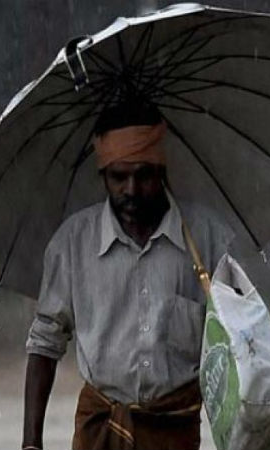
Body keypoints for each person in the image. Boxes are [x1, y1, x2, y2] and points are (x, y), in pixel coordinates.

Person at [22, 103, 234, 450]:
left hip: (173, 431)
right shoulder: (72, 244)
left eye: (143, 175)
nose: (131, 190)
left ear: (161, 171)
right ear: (102, 174)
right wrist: (31, 442)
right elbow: (45, 344)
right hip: (100, 432)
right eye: (118, 177)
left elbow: (234, 347)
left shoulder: (207, 241)